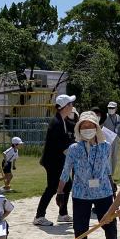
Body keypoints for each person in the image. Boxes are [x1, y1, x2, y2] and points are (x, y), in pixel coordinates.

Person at [56, 111, 120, 239]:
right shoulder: (73, 148)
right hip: (81, 192)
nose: (87, 129)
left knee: (109, 224)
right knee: (80, 226)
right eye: (83, 126)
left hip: (103, 192)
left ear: (96, 128)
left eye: (90, 126)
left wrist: (112, 184)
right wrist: (60, 192)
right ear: (79, 129)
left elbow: (106, 168)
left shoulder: (106, 146)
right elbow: (66, 171)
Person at [34, 94, 76, 226]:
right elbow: (63, 147)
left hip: (57, 160)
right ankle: (39, 216)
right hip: (52, 161)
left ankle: (62, 214)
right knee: (52, 188)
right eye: (70, 104)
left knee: (67, 184)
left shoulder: (62, 120)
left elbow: (73, 129)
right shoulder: (57, 123)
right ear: (64, 107)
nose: (72, 106)